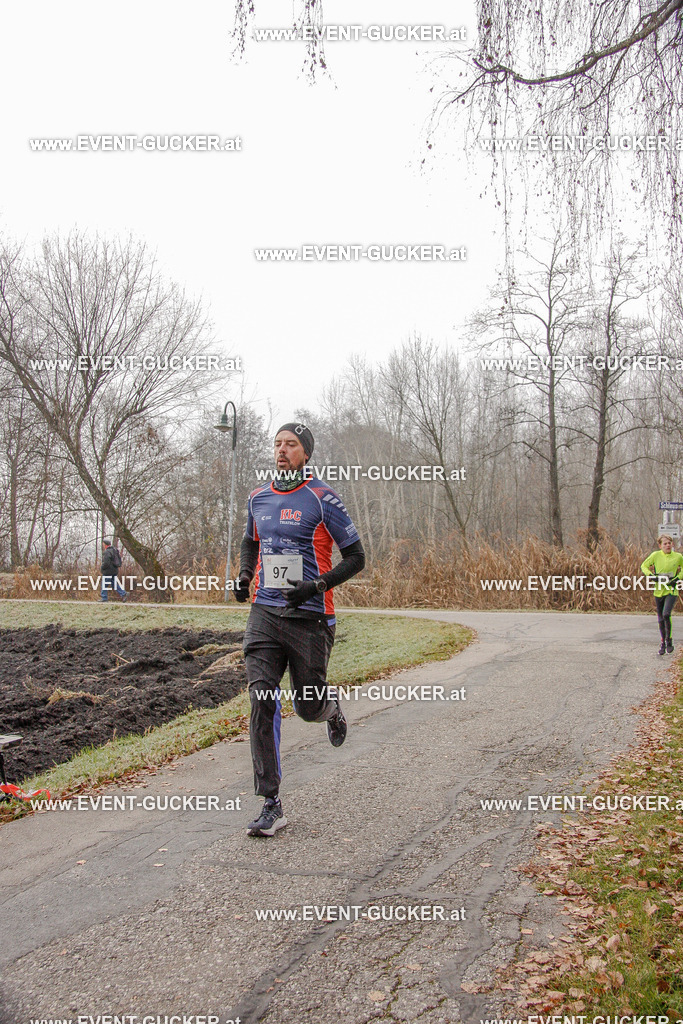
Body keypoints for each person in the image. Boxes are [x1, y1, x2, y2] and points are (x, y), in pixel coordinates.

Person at [234, 422, 365, 837]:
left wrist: (316, 585)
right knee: (261, 698)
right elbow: (251, 541)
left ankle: (330, 709)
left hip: (310, 617)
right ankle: (270, 803)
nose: (282, 450)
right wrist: (244, 575)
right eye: (277, 444)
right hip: (265, 613)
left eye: (290, 444)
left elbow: (357, 557)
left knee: (306, 707)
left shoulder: (322, 498)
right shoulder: (258, 497)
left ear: (305, 453)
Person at [640, 534, 683, 654]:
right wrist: (651, 576)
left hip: (671, 590)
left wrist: (677, 578)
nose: (668, 545)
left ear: (672, 544)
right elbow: (644, 566)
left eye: (669, 543)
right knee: (660, 618)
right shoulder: (655, 555)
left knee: (666, 614)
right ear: (660, 546)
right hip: (659, 590)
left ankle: (669, 640)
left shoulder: (678, 556)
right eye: (665, 544)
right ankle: (663, 642)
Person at [100, 538, 127, 602]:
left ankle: (104, 598)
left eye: (103, 544)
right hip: (115, 570)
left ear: (105, 545)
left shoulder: (107, 552)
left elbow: (106, 563)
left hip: (108, 571)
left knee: (104, 584)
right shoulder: (115, 550)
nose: (103, 546)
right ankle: (123, 594)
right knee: (114, 584)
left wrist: (102, 568)